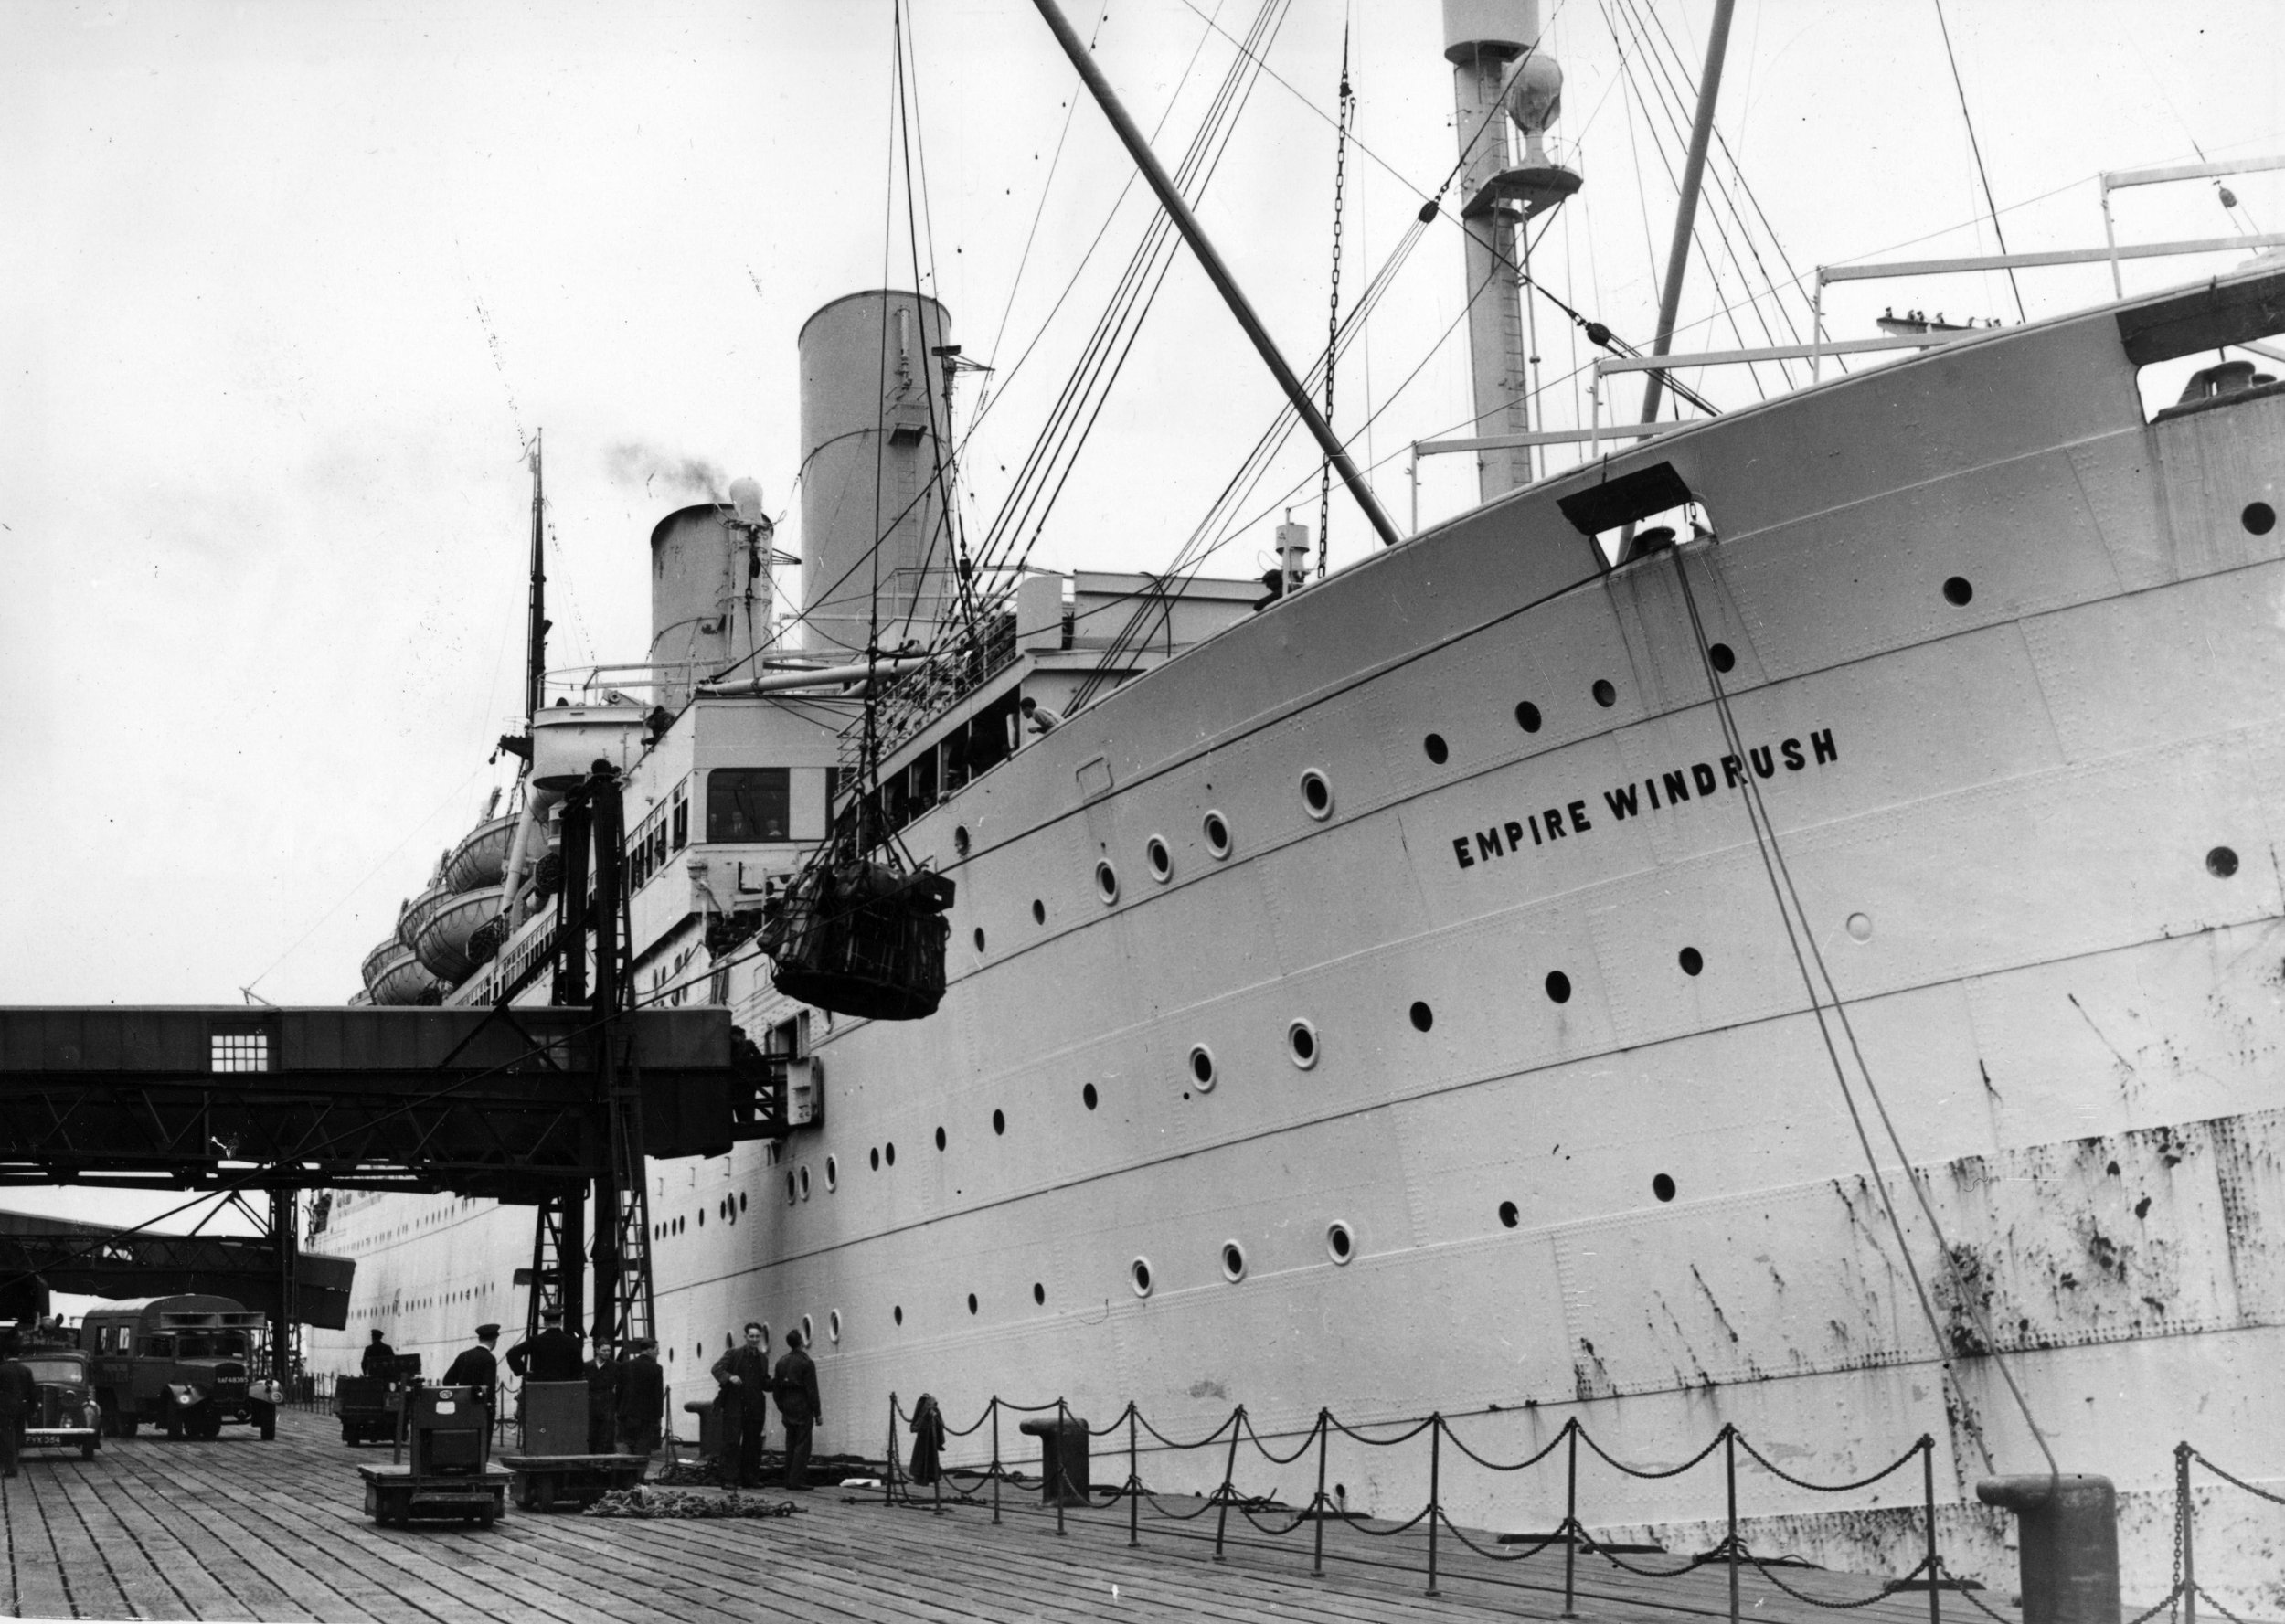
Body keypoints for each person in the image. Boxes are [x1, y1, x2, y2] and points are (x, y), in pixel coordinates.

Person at [709, 1323, 771, 1487]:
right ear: (745, 1337)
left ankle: (749, 1478)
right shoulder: (733, 1354)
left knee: (753, 1443)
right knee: (731, 1442)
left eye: (757, 1336)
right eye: (752, 1336)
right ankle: (729, 1479)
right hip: (734, 1405)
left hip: (755, 1406)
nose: (754, 1339)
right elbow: (716, 1369)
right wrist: (729, 1377)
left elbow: (764, 1382)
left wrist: (777, 1383)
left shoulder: (763, 1358)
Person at [772, 1328, 822, 1491]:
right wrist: (817, 1413)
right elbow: (812, 1390)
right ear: (801, 1342)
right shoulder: (806, 1362)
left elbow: (776, 1388)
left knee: (791, 1444)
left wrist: (782, 1406)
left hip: (787, 1405)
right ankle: (797, 1480)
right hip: (802, 1405)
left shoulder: (781, 1362)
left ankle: (788, 1479)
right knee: (803, 1444)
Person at [615, 1338, 664, 1463]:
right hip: (646, 1416)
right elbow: (657, 1394)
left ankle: (626, 1473)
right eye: (656, 1349)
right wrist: (658, 1416)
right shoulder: (656, 1368)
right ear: (649, 1350)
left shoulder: (626, 1366)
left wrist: (618, 1410)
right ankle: (639, 1473)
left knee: (627, 1446)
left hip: (627, 1413)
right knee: (643, 1448)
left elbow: (619, 1390)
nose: (658, 1352)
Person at [505, 1307, 583, 1385]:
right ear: (560, 1322)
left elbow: (511, 1354)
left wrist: (522, 1371)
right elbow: (579, 1367)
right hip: (565, 1385)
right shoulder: (571, 1342)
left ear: (545, 1323)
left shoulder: (535, 1341)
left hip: (539, 1385)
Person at [441, 1323, 502, 1415]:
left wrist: (458, 1397)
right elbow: (489, 1387)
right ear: (494, 1340)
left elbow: (447, 1380)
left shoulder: (463, 1355)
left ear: (479, 1339)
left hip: (462, 1407)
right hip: (480, 1409)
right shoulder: (490, 1359)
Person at [0, 1341, 31, 1479]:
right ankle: (14, 1464)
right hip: (21, 1408)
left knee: (7, 1438)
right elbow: (31, 1392)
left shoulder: (2, 1370)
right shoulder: (26, 1370)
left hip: (4, 1409)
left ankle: (10, 1468)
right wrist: (32, 1409)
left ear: (5, 1355)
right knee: (17, 1437)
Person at [584, 1336, 620, 1454]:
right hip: (591, 1401)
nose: (607, 1353)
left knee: (607, 1432)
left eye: (609, 1350)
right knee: (592, 1430)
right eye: (604, 1350)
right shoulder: (587, 1366)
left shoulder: (615, 1366)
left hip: (608, 1401)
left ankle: (606, 1458)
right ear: (597, 1350)